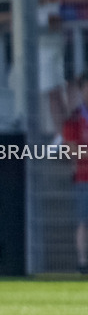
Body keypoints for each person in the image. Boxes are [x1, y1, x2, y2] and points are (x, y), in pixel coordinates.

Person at [62, 75, 88, 275]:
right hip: (84, 178)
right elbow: (72, 151)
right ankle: (83, 261)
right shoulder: (74, 120)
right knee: (83, 221)